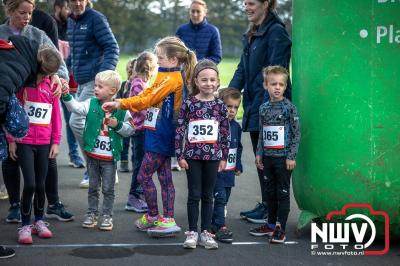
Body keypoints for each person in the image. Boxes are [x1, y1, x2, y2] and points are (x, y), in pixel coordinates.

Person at [102, 36, 197, 238]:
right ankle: (163, 217)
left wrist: (120, 103)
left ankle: (157, 216)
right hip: (156, 132)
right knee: (164, 177)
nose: (157, 60)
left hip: (162, 134)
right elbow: (150, 94)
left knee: (143, 175)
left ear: (173, 60)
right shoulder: (164, 75)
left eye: (160, 57)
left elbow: (147, 99)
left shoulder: (172, 79)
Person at [0, 0, 73, 224]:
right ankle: (14, 205)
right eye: (22, 13)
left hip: (41, 100)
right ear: (10, 10)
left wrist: (60, 79)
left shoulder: (38, 34)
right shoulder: (1, 34)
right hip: (12, 100)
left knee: (47, 156)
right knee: (11, 156)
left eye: (30, 13)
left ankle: (52, 203)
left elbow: (58, 63)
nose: (27, 18)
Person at [229, 0, 292, 223]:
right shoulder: (253, 32)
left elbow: (278, 75)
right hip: (255, 104)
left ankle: (272, 211)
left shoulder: (276, 33)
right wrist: (229, 93)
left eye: (251, 3)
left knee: (273, 163)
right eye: (244, 3)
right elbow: (242, 68)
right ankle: (267, 205)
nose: (246, 7)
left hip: (270, 110)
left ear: (266, 4)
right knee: (262, 161)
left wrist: (268, 110)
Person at [62, 70, 134, 231]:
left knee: (108, 189)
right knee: (93, 187)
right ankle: (91, 213)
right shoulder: (90, 103)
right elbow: (75, 108)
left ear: (112, 91)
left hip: (109, 159)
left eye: (100, 86)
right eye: (95, 85)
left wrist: (118, 125)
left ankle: (107, 216)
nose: (95, 89)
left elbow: (130, 130)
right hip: (92, 157)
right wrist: (66, 95)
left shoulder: (122, 109)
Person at [8, 47, 62, 244]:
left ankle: (39, 221)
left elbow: (56, 116)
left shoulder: (52, 87)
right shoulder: (22, 85)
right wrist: (11, 140)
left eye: (48, 74)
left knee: (41, 185)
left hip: (44, 143)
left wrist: (56, 141)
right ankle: (25, 225)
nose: (44, 77)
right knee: (30, 184)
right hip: (24, 142)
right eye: (43, 73)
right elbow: (11, 113)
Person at [175, 59, 230, 250]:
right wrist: (179, 155)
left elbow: (225, 133)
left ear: (218, 81)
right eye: (204, 80)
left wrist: (224, 157)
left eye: (212, 80)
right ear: (196, 82)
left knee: (208, 195)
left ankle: (206, 232)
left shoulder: (220, 106)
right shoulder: (189, 103)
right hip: (192, 156)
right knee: (194, 194)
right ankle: (192, 232)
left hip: (213, 157)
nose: (208, 83)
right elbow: (180, 129)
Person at [66, 0, 120, 188]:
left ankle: (95, 167)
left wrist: (102, 78)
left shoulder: (96, 18)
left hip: (94, 81)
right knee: (90, 123)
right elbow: (75, 52)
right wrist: (67, 71)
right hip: (80, 83)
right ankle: (103, 167)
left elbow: (112, 48)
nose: (78, 2)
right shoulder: (71, 21)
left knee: (76, 121)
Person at [249, 66, 300, 243]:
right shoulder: (263, 108)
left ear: (285, 86)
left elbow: (296, 133)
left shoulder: (289, 108)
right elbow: (262, 133)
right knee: (269, 193)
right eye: (273, 84)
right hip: (268, 159)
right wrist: (259, 153)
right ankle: (270, 225)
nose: (277, 87)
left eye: (281, 84)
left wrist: (291, 156)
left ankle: (280, 228)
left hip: (283, 159)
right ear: (266, 85)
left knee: (282, 193)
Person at [173, 0, 222, 171]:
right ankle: (178, 153)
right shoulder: (181, 30)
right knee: (180, 113)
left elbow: (217, 55)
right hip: (182, 78)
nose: (194, 14)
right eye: (192, 11)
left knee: (199, 115)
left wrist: (200, 70)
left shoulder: (212, 31)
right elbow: (175, 53)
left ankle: (197, 151)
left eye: (198, 12)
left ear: (204, 13)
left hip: (202, 79)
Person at [124, 52, 157, 213]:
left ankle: (140, 194)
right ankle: (133, 197)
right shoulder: (138, 84)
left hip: (146, 129)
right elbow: (139, 107)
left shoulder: (143, 83)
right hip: (140, 131)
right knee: (139, 164)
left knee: (144, 163)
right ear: (149, 68)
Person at [53, 0, 84, 168]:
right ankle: (45, 151)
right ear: (57, 8)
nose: (69, 10)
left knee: (71, 118)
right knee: (48, 118)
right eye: (66, 7)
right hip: (49, 78)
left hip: (69, 80)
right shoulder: (48, 25)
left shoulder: (74, 24)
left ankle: (74, 154)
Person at [211, 88, 243, 243]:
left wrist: (238, 165)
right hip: (217, 171)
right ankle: (221, 227)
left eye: (235, 107)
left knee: (225, 198)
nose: (232, 110)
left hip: (229, 172)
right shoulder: (215, 125)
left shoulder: (236, 127)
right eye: (229, 106)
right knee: (220, 198)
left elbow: (239, 148)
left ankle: (213, 224)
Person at [117, 58, 136, 173]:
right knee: (124, 142)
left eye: (132, 70)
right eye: (129, 69)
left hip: (136, 117)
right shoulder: (124, 84)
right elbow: (118, 98)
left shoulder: (138, 84)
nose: (130, 72)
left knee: (136, 143)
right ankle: (124, 163)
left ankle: (135, 163)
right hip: (125, 117)